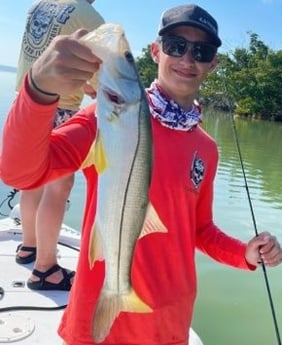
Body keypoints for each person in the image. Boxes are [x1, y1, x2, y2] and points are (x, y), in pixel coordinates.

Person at [1, 4, 282, 345]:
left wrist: (245, 254)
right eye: (176, 45)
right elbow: (19, 172)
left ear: (212, 64)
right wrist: (38, 89)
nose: (187, 58)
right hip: (98, 320)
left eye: (201, 51)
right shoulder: (106, 118)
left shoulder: (206, 148)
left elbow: (200, 229)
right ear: (155, 51)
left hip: (170, 322)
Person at [14, 0, 104, 291]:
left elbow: (50, 58)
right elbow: (107, 73)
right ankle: (45, 269)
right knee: (58, 186)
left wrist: (86, 86)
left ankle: (28, 246)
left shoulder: (37, 6)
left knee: (31, 181)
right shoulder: (88, 15)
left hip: (25, 102)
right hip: (60, 108)